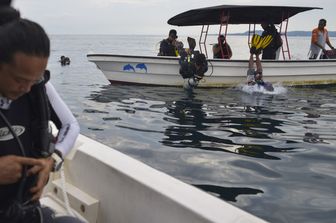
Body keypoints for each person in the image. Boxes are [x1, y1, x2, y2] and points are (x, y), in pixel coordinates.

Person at [0, 18, 81, 223]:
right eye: (19, 79)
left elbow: (71, 125)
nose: (27, 88)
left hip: (26, 209)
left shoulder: (36, 88)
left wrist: (52, 160)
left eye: (33, 79)